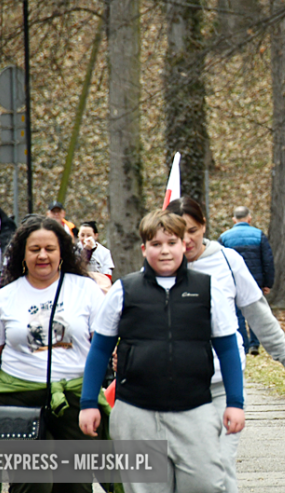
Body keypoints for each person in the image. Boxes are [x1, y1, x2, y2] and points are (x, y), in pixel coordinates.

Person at [79, 210, 245, 493]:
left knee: (206, 484)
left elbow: (228, 348)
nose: (165, 250)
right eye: (156, 244)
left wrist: (235, 402)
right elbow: (99, 350)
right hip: (136, 412)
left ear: (184, 245)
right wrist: (88, 403)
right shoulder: (124, 291)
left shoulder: (207, 290)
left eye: (171, 242)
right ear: (144, 249)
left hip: (195, 409)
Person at [166, 196, 285, 493]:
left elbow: (258, 314)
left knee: (220, 469)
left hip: (222, 385)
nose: (187, 240)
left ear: (204, 225)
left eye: (192, 230)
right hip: (172, 388)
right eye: (178, 233)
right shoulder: (161, 265)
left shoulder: (228, 261)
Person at [0, 215, 111, 493]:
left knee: (75, 485)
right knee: (33, 485)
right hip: (19, 402)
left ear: (62, 253)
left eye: (50, 249)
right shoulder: (4, 298)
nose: (42, 255)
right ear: (22, 254)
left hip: (75, 401)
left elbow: (103, 345)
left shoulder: (87, 291)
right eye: (35, 249)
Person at [218, 206, 275, 355]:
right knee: (255, 311)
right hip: (255, 280)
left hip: (233, 281)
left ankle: (244, 343)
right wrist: (268, 283)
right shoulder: (259, 235)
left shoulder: (225, 237)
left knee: (238, 314)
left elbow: (220, 261)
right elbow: (267, 261)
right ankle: (256, 344)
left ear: (233, 220)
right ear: (249, 218)